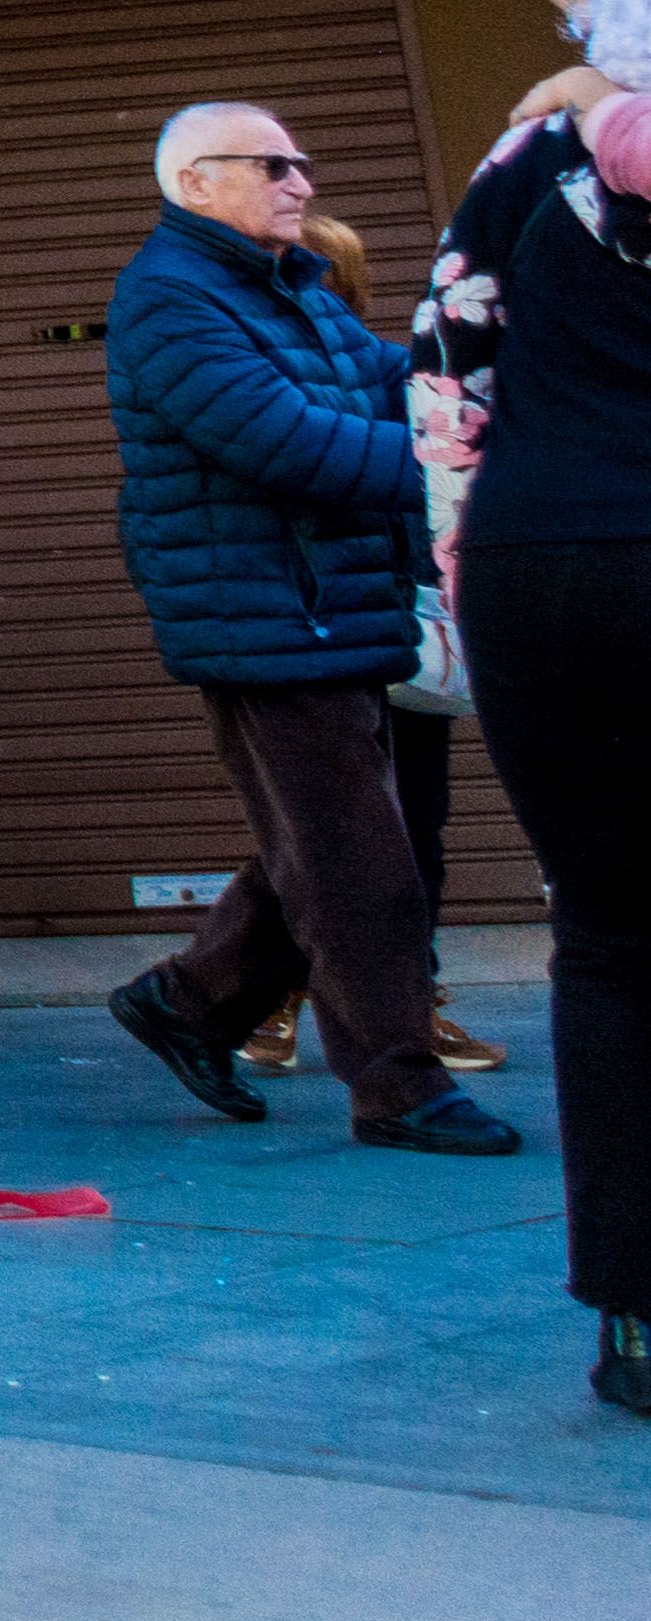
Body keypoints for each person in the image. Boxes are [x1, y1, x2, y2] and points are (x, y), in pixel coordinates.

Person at [97, 101, 506, 1158]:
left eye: (303, 163)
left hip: (339, 607)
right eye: (273, 164)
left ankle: (191, 1002)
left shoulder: (293, 289)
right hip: (268, 619)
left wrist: (485, 384)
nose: (302, 181)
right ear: (196, 183)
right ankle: (398, 1087)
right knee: (358, 866)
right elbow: (280, 441)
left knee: (360, 845)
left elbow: (388, 382)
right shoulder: (168, 299)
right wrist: (452, 468)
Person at [426, 0, 651, 1416]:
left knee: (612, 937)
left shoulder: (525, 160)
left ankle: (633, 1319)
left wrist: (463, 588)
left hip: (537, 565)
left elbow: (446, 377)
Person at [238, 211, 497, 1089]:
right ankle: (267, 1001)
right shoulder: (260, 373)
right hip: (319, 632)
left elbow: (436, 491)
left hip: (394, 633)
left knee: (402, 829)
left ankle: (405, 1000)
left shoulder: (387, 371)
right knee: (336, 834)